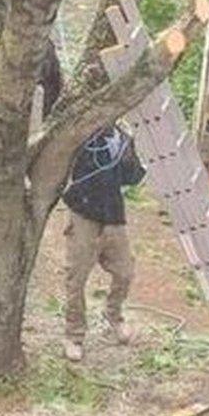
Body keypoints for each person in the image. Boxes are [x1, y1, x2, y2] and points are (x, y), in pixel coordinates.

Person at [61, 124, 146, 362]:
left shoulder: (121, 136)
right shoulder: (81, 135)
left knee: (125, 272)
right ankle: (74, 335)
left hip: (112, 215)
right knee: (76, 279)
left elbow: (132, 177)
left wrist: (130, 151)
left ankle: (113, 314)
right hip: (84, 214)